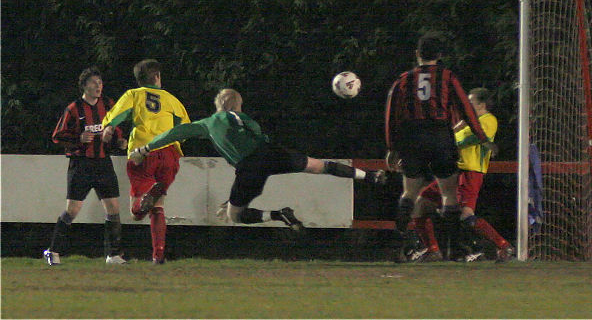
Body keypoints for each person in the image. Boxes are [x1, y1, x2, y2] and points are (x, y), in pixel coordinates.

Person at [129, 88, 386, 230]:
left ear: (218, 105)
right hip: (271, 154)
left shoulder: (206, 124)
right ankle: (370, 175)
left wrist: (145, 148)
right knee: (319, 166)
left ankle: (277, 214)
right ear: (237, 105)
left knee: (235, 216)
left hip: (249, 167)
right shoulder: (241, 118)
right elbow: (256, 131)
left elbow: (176, 132)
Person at [384, 31, 497, 262]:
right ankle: (453, 250)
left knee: (409, 193)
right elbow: (466, 108)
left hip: (413, 137)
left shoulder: (403, 79)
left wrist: (392, 148)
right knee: (448, 193)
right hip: (440, 136)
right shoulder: (447, 77)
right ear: (440, 55)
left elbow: (391, 115)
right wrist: (482, 137)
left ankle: (398, 246)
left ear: (417, 54)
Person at [407, 88, 514, 263]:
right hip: (453, 173)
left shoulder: (488, 120)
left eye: (470, 102)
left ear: (481, 104)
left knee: (466, 214)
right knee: (421, 203)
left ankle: (503, 246)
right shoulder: (466, 122)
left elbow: (473, 139)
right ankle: (432, 250)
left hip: (470, 172)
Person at [101, 59, 190, 264]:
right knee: (158, 207)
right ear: (157, 76)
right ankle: (158, 255)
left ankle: (144, 202)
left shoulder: (134, 94)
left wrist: (109, 126)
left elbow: (118, 113)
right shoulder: (171, 99)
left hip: (143, 151)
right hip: (169, 154)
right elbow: (184, 128)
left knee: (136, 212)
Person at [44, 67, 128, 266]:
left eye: (100, 83)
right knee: (72, 210)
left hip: (103, 162)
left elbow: (114, 128)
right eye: (94, 83)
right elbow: (57, 136)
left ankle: (113, 255)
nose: (98, 86)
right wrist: (78, 138)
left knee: (113, 208)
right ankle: (53, 251)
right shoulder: (74, 108)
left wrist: (119, 141)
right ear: (84, 86)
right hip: (81, 164)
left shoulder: (108, 105)